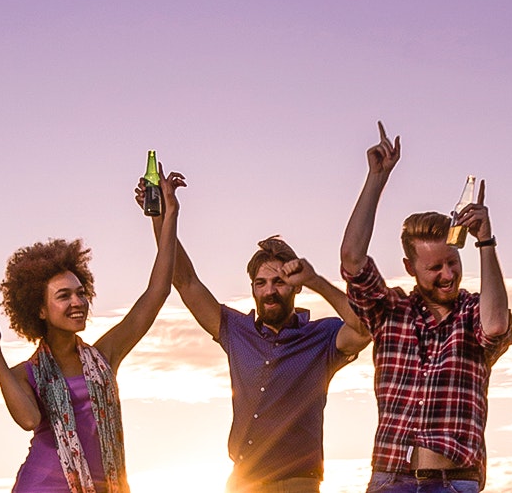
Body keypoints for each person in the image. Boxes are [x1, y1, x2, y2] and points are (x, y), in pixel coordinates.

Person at [134, 184, 372, 493]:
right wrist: (164, 218)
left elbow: (364, 328)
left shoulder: (322, 336)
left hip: (298, 483)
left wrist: (315, 281)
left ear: (296, 286)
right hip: (243, 481)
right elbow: (186, 281)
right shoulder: (235, 330)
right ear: (252, 287)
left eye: (280, 282)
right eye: (260, 283)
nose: (269, 291)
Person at [0, 166, 185, 493]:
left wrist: (168, 216)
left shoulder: (104, 356)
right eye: (64, 296)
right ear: (39, 310)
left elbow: (157, 293)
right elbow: (29, 420)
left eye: (80, 292)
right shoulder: (24, 374)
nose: (77, 301)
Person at [339, 122, 512, 492]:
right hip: (390, 479)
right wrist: (377, 179)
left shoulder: (472, 313)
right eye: (434, 267)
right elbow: (352, 260)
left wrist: (486, 241)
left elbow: (497, 325)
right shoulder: (389, 311)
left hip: (454, 482)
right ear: (410, 268)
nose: (448, 274)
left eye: (452, 262)